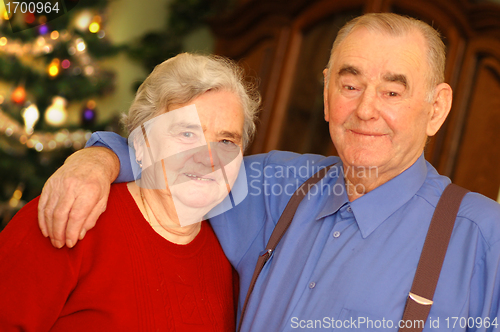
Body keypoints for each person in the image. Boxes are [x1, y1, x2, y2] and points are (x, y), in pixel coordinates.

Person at [37, 13, 500, 332]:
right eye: (350, 84)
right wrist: (99, 158)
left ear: (436, 108)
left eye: (393, 93)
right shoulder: (274, 186)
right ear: (326, 93)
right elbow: (171, 162)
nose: (365, 110)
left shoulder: (483, 238)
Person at [0, 53, 261, 331]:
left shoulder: (233, 261)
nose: (209, 158)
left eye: (226, 141)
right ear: (141, 142)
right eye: (187, 134)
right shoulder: (69, 214)